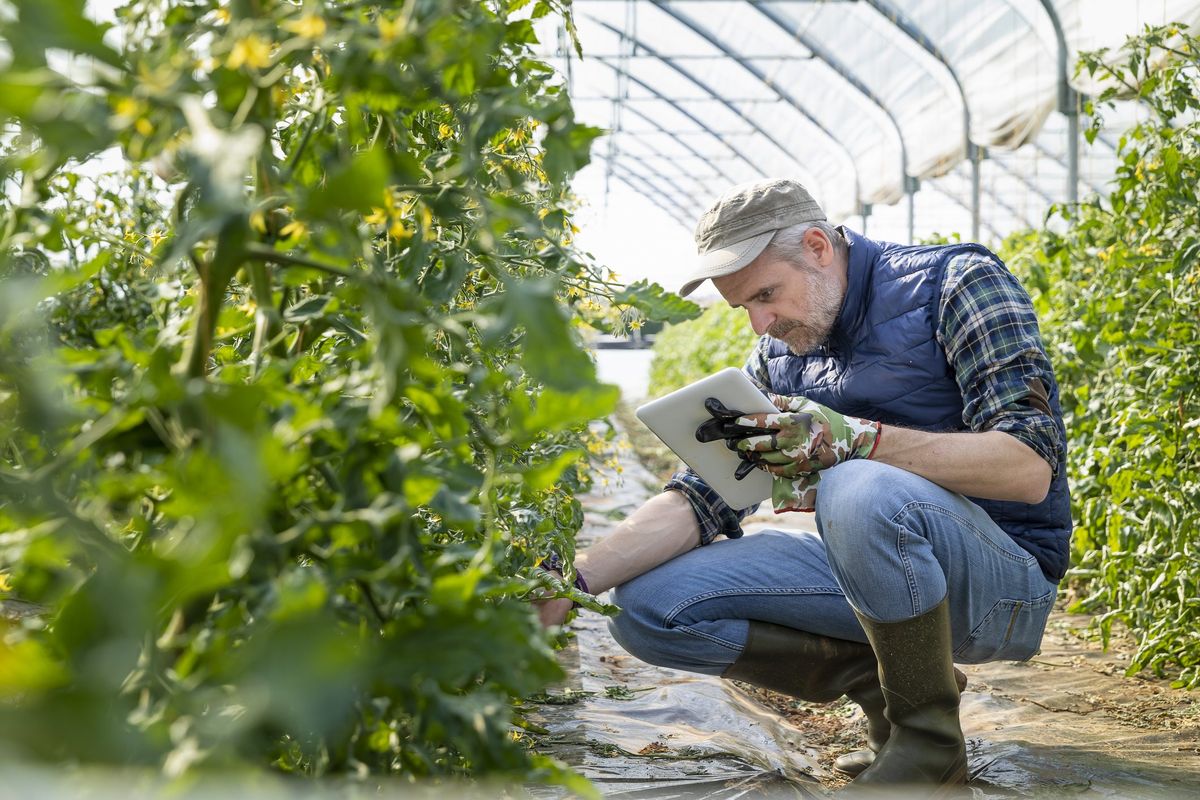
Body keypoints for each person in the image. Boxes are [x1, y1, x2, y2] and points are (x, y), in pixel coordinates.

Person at [538, 179, 1071, 791]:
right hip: (881, 570)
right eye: (744, 308)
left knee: (857, 487)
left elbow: (1030, 468)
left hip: (1002, 582)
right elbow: (704, 498)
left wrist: (858, 439)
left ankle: (930, 748)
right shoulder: (778, 356)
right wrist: (574, 584)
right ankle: (894, 689)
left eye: (767, 294)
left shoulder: (956, 285)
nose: (761, 322)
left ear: (818, 246)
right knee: (646, 610)